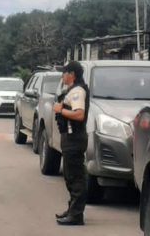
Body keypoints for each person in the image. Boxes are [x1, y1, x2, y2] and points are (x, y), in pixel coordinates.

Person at [52, 61, 90, 226]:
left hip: (75, 138)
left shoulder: (78, 91)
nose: (62, 75)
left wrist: (60, 110)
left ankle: (76, 215)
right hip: (70, 137)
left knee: (75, 177)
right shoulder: (73, 90)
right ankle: (72, 209)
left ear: (72, 74)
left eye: (64, 72)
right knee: (70, 175)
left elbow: (79, 114)